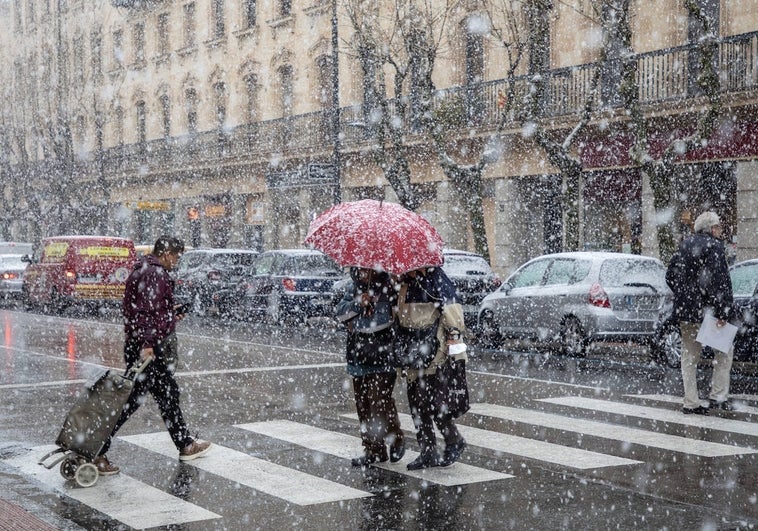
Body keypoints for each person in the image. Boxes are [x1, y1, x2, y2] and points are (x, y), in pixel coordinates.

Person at [93, 236, 211, 475]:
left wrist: (170, 314)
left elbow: (146, 310)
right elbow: (146, 312)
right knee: (130, 400)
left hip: (143, 344)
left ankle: (185, 444)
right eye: (176, 256)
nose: (176, 261)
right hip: (149, 349)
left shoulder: (143, 270)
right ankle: (96, 449)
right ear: (166, 253)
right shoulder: (155, 273)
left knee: (164, 395)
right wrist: (147, 343)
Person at [396, 266, 468, 470]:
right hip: (413, 348)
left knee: (434, 400)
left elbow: (452, 312)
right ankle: (428, 451)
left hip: (434, 348)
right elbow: (401, 315)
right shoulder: (405, 283)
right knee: (416, 402)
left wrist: (453, 338)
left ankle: (453, 440)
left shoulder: (435, 278)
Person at [666, 211, 734, 415]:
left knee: (689, 356)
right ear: (712, 229)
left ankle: (691, 402)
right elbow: (720, 282)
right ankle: (718, 396)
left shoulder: (684, 245)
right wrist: (723, 311)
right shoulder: (714, 247)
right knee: (723, 353)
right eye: (719, 227)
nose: (721, 231)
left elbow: (670, 275)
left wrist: (683, 296)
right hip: (709, 311)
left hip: (686, 312)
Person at [335, 267, 405, 467]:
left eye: (367, 268)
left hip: (383, 354)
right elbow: (340, 312)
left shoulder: (389, 285)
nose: (362, 271)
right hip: (359, 354)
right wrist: (358, 303)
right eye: (358, 268)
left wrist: (374, 306)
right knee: (363, 403)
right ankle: (373, 449)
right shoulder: (353, 287)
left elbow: (390, 319)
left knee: (379, 400)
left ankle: (395, 438)